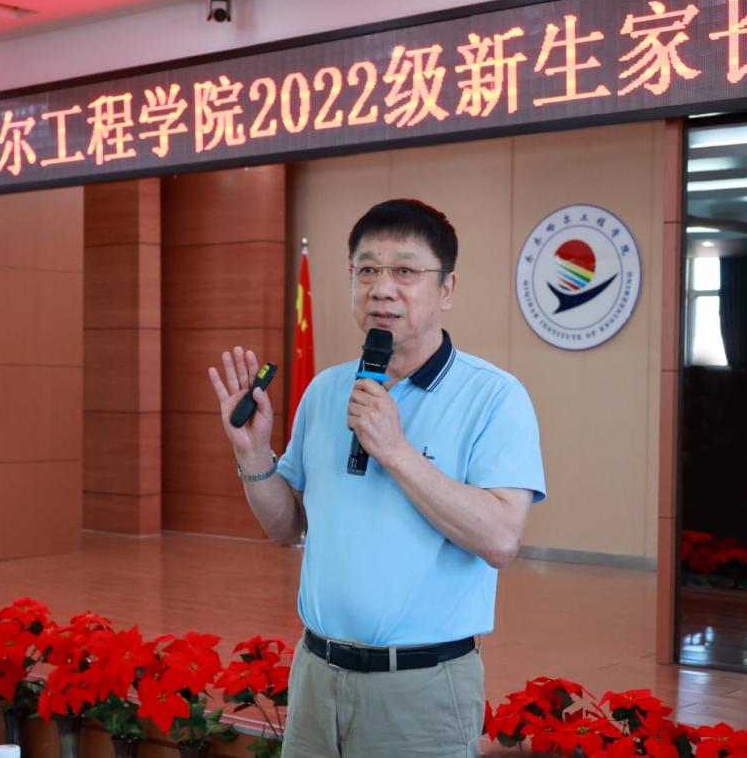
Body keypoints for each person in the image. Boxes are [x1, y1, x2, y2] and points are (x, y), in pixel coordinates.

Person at [208, 199, 546, 758]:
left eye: (405, 271)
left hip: (419, 689)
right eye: (367, 269)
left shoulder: (494, 396)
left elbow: (501, 539)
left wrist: (395, 450)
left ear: (447, 288)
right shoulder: (325, 389)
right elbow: (287, 525)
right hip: (316, 676)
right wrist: (254, 453)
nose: (382, 289)